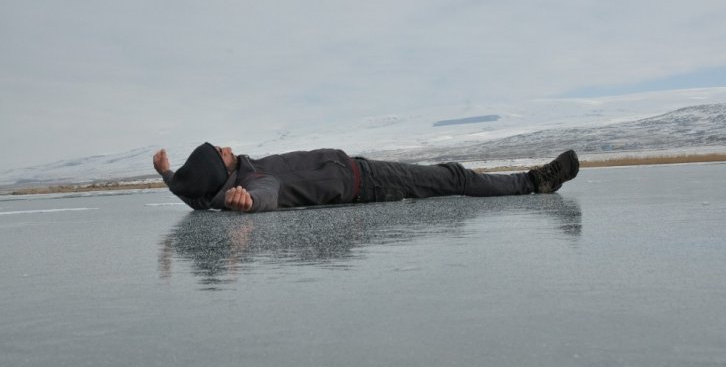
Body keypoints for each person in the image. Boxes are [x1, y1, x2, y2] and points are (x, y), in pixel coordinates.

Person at [152, 144, 579, 213]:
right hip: (367, 181)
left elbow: (194, 193)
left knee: (448, 179)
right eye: (221, 152)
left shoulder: (210, 191)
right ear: (221, 168)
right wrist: (247, 203)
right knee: (455, 176)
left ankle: (529, 181)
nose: (229, 146)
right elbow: (267, 195)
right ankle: (534, 181)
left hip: (362, 174)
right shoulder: (253, 180)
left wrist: (168, 174)